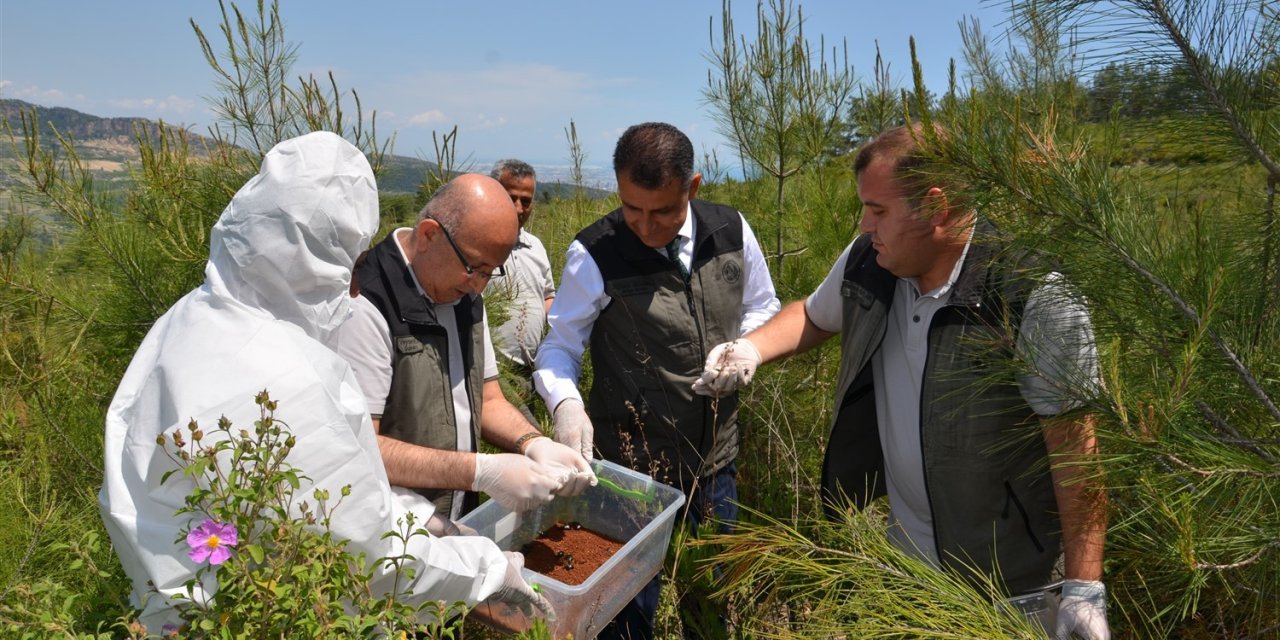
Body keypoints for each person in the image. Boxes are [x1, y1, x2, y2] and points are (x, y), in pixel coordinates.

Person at [99, 132, 552, 631]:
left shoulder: (190, 319)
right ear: (306, 264)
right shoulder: (278, 373)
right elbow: (367, 557)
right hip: (244, 615)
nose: (355, 287)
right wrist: (488, 571)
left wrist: (413, 515)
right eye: (350, 266)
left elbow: (330, 493)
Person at [695, 124, 1110, 639]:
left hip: (1008, 587)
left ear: (935, 206)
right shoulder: (870, 262)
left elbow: (1078, 457)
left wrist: (1084, 588)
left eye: (878, 210)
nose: (865, 224)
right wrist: (751, 349)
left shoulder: (1031, 295)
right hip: (908, 569)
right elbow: (815, 316)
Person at [534, 122, 780, 639]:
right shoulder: (595, 252)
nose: (645, 227)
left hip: (715, 462)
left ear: (693, 187)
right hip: (631, 473)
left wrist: (746, 349)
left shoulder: (730, 230)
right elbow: (560, 347)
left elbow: (763, 306)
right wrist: (565, 405)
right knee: (625, 613)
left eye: (663, 211)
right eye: (631, 208)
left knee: (710, 603)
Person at [332, 172, 594, 525]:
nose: (479, 287)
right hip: (393, 528)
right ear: (429, 234)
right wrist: (479, 471)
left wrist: (533, 444)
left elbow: (488, 400)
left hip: (457, 520)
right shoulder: (367, 303)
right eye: (474, 268)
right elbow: (364, 445)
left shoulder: (464, 295)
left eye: (490, 272)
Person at [487, 159, 556, 420]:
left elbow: (547, 295)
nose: (518, 208)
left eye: (525, 201)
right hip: (493, 374)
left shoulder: (535, 246)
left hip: (532, 371)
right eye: (510, 198)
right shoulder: (477, 245)